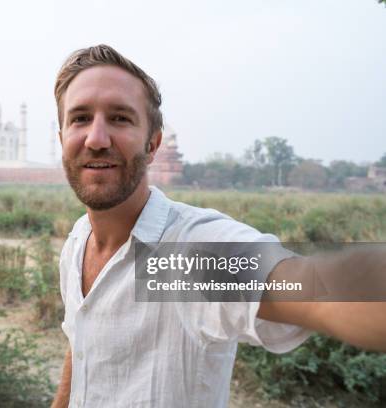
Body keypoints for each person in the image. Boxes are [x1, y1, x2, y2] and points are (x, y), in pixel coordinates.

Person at [50, 44, 386, 408]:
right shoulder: (77, 242)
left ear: (153, 145)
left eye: (120, 118)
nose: (96, 139)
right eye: (80, 118)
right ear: (62, 140)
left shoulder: (180, 258)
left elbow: (312, 288)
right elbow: (81, 344)